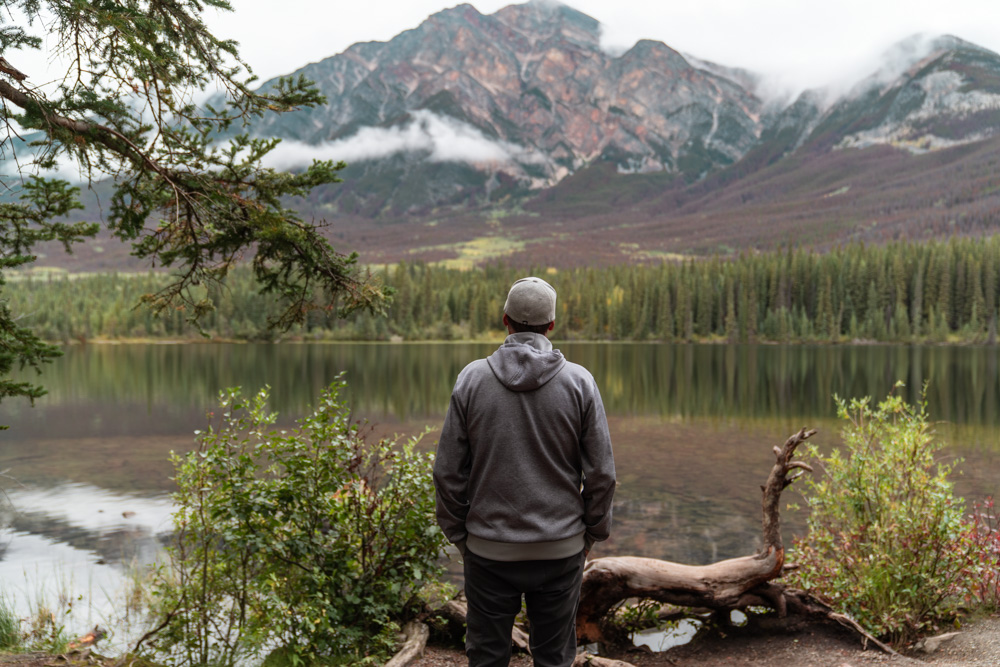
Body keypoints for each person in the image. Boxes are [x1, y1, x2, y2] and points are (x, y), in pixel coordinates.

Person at [433, 276, 616, 667]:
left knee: (486, 657)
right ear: (551, 325)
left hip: (487, 550)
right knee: (554, 658)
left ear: (505, 320)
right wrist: (590, 535)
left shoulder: (471, 379)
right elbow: (601, 475)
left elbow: (447, 473)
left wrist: (462, 536)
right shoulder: (579, 382)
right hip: (560, 549)